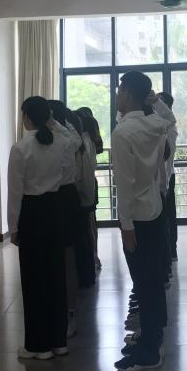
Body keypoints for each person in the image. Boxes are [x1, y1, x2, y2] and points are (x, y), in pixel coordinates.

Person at [112, 71, 176, 371]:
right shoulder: (155, 124)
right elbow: (169, 119)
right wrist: (156, 101)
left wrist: (125, 226)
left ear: (127, 93)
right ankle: (153, 334)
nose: (117, 94)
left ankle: (150, 351)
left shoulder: (123, 132)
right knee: (153, 279)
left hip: (136, 215)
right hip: (154, 207)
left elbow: (123, 184)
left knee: (143, 280)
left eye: (119, 89)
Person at [7, 97, 71, 360]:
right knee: (56, 274)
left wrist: (13, 226)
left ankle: (38, 346)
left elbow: (15, 192)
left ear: (27, 117)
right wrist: (53, 121)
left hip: (32, 213)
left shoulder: (21, 148)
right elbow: (68, 173)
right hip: (54, 209)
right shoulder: (62, 143)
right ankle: (59, 341)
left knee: (34, 279)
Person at [75, 107, 104, 272]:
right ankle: (95, 255)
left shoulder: (82, 141)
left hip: (86, 186)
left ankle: (93, 256)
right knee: (92, 222)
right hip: (92, 182)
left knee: (88, 224)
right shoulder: (91, 139)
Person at [157, 91, 179, 267]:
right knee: (167, 215)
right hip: (165, 176)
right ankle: (170, 251)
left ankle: (170, 251)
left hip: (166, 177)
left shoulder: (168, 128)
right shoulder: (161, 126)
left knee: (167, 216)